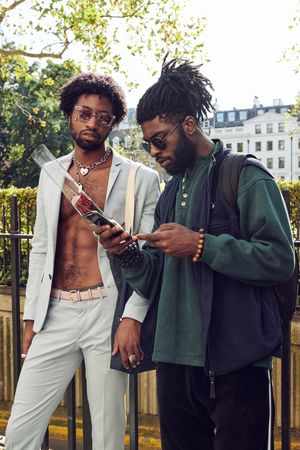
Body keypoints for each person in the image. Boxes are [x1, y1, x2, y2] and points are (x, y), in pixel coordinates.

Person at [98, 58, 295, 450]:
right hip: (175, 360)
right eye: (146, 143)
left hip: (235, 360)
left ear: (188, 125)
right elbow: (156, 278)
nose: (152, 151)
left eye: (159, 139)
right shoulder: (171, 191)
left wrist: (202, 245)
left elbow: (279, 259)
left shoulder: (245, 176)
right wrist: (127, 254)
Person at [5, 72, 160, 450]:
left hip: (107, 312)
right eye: (84, 113)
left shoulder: (141, 178)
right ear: (70, 114)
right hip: (55, 311)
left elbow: (152, 258)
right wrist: (31, 316)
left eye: (103, 117)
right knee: (21, 430)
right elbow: (41, 245)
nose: (93, 122)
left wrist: (131, 317)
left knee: (107, 432)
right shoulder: (51, 173)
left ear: (113, 122)